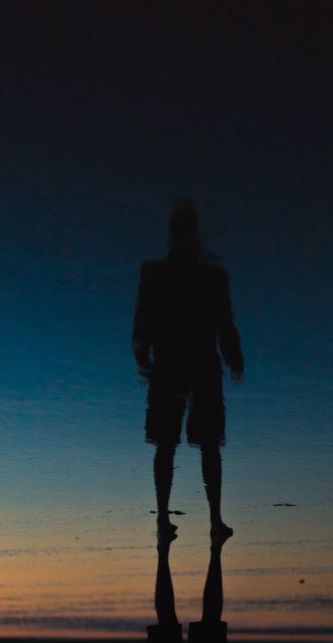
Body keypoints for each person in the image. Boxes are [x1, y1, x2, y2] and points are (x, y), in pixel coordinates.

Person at [132, 200, 244, 543]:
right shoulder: (210, 276)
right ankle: (213, 520)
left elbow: (142, 321)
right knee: (208, 444)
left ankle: (166, 520)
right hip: (201, 365)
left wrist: (142, 355)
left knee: (166, 444)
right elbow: (224, 322)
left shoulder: (156, 273)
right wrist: (234, 357)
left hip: (169, 364)